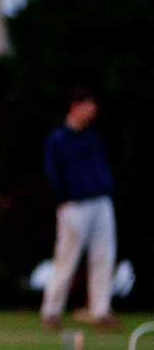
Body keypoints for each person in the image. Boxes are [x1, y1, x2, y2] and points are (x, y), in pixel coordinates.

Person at [40, 87, 117, 329]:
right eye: (88, 105)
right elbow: (53, 172)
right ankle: (51, 310)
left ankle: (100, 310)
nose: (92, 111)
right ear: (75, 106)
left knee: (104, 256)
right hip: (74, 204)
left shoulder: (93, 136)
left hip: (101, 201)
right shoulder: (59, 139)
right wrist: (63, 198)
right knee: (66, 257)